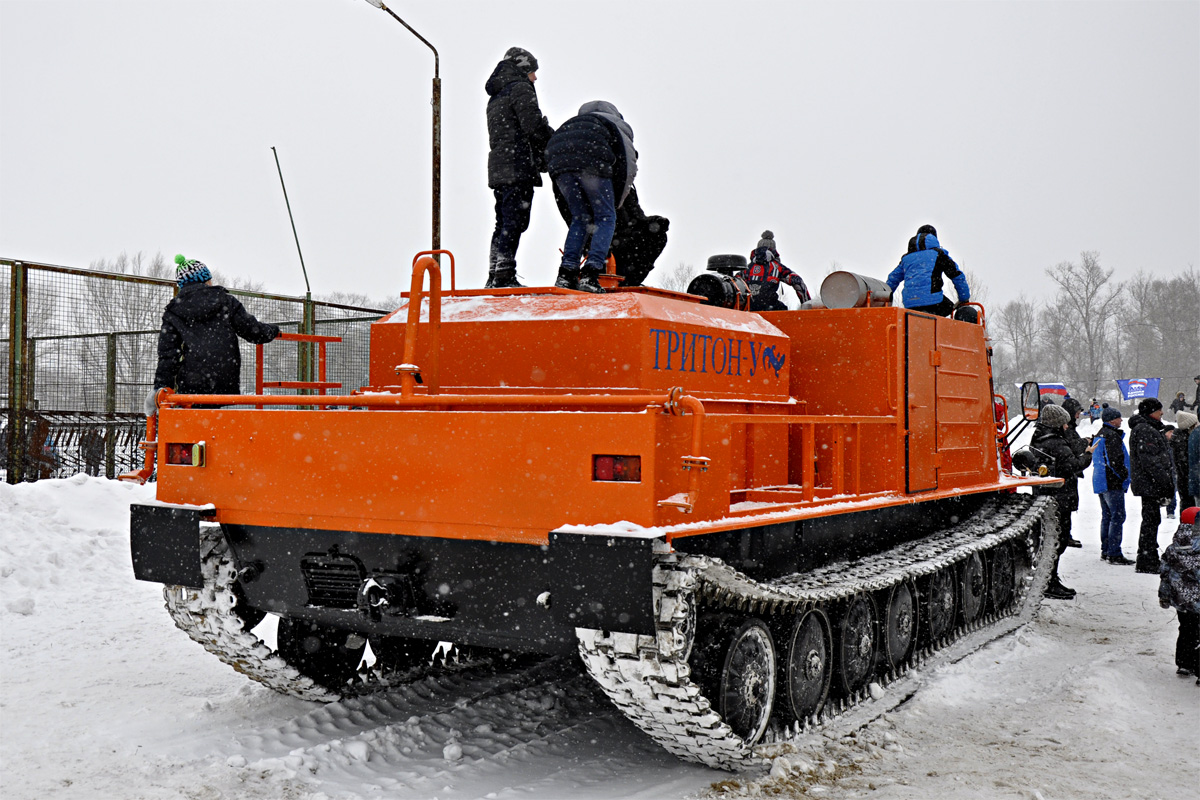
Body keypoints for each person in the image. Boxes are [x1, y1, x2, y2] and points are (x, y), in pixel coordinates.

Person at [148, 255, 281, 414]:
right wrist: (273, 330)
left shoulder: (173, 311)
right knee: (216, 424)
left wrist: (161, 389)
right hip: (224, 379)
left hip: (192, 383)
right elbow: (253, 331)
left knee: (194, 425)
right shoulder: (226, 301)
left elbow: (168, 356)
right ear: (205, 280)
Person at [545, 101, 637, 294]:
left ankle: (566, 273)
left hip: (558, 162)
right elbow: (628, 166)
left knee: (580, 218)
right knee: (606, 217)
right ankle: (590, 273)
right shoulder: (618, 125)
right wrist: (617, 203)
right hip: (592, 162)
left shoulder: (576, 122)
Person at [484, 47, 554, 289]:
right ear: (523, 68)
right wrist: (553, 140)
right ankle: (504, 274)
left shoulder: (496, 96)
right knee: (514, 220)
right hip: (518, 165)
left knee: (502, 220)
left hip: (499, 166)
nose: (535, 78)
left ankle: (495, 272)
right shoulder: (520, 88)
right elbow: (532, 126)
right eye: (533, 71)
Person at [1031, 403, 1098, 598]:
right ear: (1057, 424)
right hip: (1061, 498)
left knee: (1048, 540)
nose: (1067, 426)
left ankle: (1047, 578)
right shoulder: (1056, 443)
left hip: (1046, 497)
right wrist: (1088, 454)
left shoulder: (1039, 439)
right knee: (1058, 541)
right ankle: (1049, 581)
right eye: (1064, 423)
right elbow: (1072, 466)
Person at [1129, 397, 1176, 573]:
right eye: (1159, 410)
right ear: (1150, 412)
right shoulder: (1145, 430)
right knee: (1150, 521)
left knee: (1151, 521)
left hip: (1150, 483)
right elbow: (1151, 462)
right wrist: (1164, 483)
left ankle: (1148, 556)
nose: (1162, 413)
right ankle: (1146, 559)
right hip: (1150, 484)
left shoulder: (1148, 429)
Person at [885, 224, 971, 318]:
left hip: (910, 304)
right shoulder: (939, 254)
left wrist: (883, 299)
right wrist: (964, 299)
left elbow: (893, 279)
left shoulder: (906, 259)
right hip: (933, 303)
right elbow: (958, 276)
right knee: (949, 307)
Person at [1157, 506, 1199, 683]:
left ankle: (1184, 663)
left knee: (1186, 630)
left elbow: (1165, 574)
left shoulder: (1172, 549)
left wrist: (1164, 596)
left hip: (1181, 601)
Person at [1093, 407, 1135, 565]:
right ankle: (1114, 553)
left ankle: (1106, 550)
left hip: (1101, 480)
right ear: (1112, 420)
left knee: (1107, 516)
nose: (1121, 420)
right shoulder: (1111, 436)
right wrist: (1124, 475)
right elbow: (1114, 461)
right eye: (1118, 418)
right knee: (1117, 516)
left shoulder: (1100, 434)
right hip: (1111, 482)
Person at [734, 231, 810, 311]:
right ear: (774, 250)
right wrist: (807, 304)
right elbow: (797, 281)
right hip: (771, 309)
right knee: (783, 312)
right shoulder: (777, 267)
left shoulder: (747, 269)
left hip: (749, 310)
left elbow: (734, 284)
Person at [1060, 397, 1090, 547]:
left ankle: (1066, 534)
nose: (1078, 415)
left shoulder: (1068, 428)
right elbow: (1070, 448)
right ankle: (1064, 536)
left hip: (1068, 475)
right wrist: (1085, 443)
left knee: (1067, 508)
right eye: (1077, 412)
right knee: (1064, 509)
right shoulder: (1066, 429)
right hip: (1066, 474)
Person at [1173, 411, 1197, 508]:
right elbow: (1185, 465)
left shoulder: (1179, 439)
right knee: (1189, 507)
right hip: (1187, 482)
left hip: (1184, 481)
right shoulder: (1183, 442)